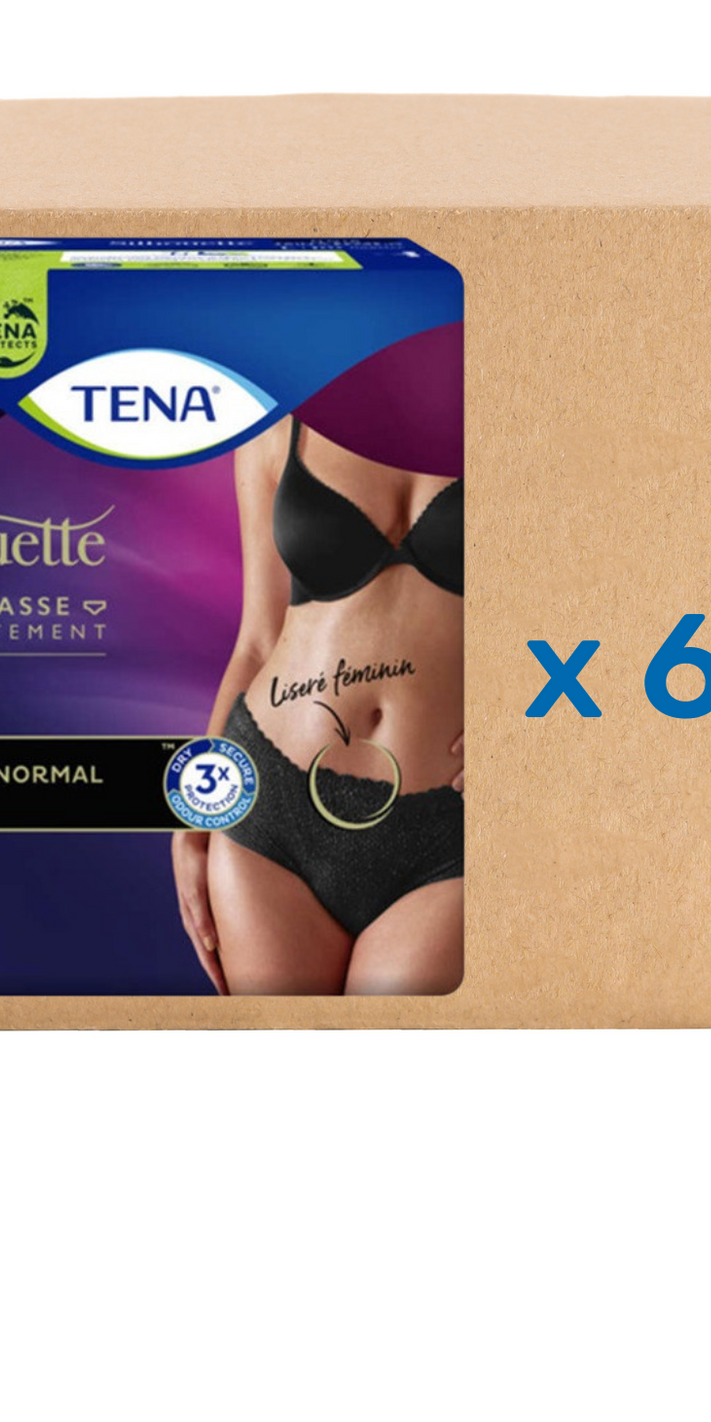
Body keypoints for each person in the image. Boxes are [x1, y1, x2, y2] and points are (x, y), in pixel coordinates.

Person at [172, 415, 463, 995]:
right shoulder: (279, 424)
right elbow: (257, 642)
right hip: (271, 808)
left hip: (452, 827)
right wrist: (195, 815)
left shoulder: (538, 421)